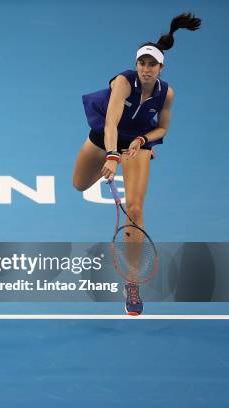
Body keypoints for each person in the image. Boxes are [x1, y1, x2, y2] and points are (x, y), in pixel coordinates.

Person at [72, 12, 201, 315]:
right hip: (104, 137)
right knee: (79, 184)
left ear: (161, 67)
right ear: (136, 65)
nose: (146, 69)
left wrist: (143, 143)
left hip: (136, 147)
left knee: (136, 209)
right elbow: (112, 122)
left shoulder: (166, 93)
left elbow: (162, 129)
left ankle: (132, 282)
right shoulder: (123, 82)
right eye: (141, 63)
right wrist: (111, 154)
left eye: (151, 64)